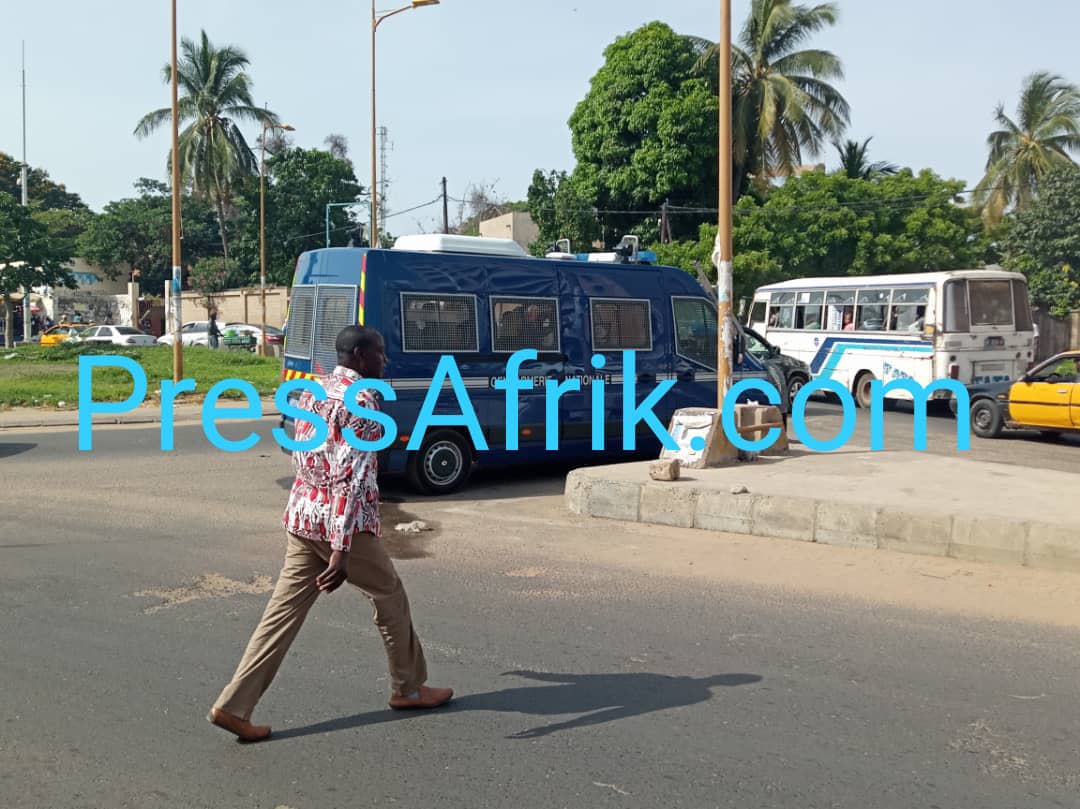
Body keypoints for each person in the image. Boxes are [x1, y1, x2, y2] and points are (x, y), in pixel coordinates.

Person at [207, 325, 453, 742]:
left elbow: (303, 455)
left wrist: (312, 513)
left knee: (281, 615)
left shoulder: (314, 390)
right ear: (359, 355)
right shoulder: (363, 400)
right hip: (343, 528)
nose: (385, 360)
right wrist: (340, 550)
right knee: (389, 594)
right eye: (379, 353)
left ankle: (234, 705)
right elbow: (351, 477)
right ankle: (408, 688)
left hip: (303, 520)